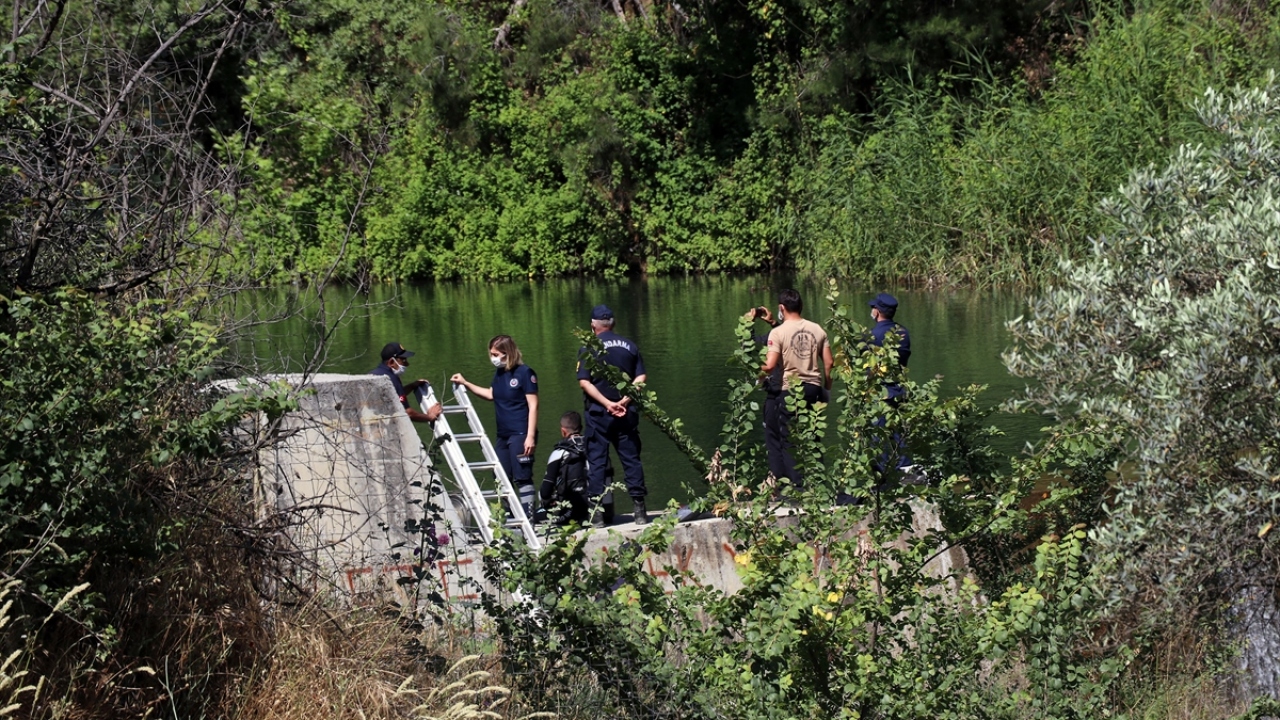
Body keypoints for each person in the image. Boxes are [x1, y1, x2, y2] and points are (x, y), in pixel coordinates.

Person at [451, 335, 538, 518]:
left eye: (496, 354)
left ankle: (528, 517)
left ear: (508, 353)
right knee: (501, 478)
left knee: (522, 476)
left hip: (521, 431)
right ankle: (509, 518)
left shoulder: (525, 373)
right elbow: (491, 394)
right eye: (491, 354)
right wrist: (466, 383)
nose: (493, 358)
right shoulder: (499, 374)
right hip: (503, 434)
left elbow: (533, 405)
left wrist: (530, 435)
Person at [577, 304, 649, 526]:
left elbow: (584, 382)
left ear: (593, 326)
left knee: (597, 461)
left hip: (599, 414)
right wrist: (625, 399)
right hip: (626, 413)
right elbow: (641, 377)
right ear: (613, 324)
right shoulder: (629, 345)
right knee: (631, 459)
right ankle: (639, 511)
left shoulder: (588, 348)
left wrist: (608, 403)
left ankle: (597, 515)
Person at [760, 289, 833, 489]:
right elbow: (829, 363)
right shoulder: (817, 329)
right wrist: (827, 389)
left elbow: (770, 365)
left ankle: (797, 489)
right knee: (815, 437)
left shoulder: (778, 332)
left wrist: (752, 366)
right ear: (801, 306)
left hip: (791, 391)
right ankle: (819, 485)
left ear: (781, 308)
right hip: (815, 388)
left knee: (789, 441)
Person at [866, 292, 913, 478]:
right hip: (900, 390)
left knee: (879, 439)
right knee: (900, 437)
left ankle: (882, 481)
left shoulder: (873, 335)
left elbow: (869, 367)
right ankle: (907, 476)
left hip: (881, 392)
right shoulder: (903, 332)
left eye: (873, 308)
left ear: (877, 312)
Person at [538, 411, 590, 526]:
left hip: (569, 513)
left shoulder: (559, 452)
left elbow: (545, 491)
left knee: (533, 514)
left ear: (563, 431)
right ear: (581, 428)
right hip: (594, 511)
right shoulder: (594, 448)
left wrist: (548, 501)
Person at [370, 342, 441, 423]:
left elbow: (393, 396)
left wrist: (412, 386)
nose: (407, 364)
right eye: (403, 360)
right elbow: (407, 413)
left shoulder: (373, 374)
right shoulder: (391, 379)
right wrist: (430, 417)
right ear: (391, 362)